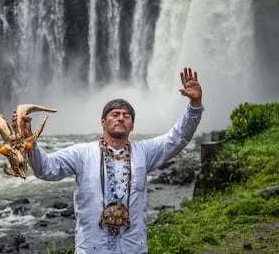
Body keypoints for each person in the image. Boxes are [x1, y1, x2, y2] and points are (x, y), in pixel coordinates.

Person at [12, 67, 204, 254]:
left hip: (133, 248)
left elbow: (177, 138)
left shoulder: (145, 152)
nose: (121, 118)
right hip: (92, 248)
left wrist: (194, 105)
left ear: (132, 125)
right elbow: (45, 169)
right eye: (115, 114)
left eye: (126, 116)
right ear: (103, 122)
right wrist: (30, 141)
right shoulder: (82, 153)